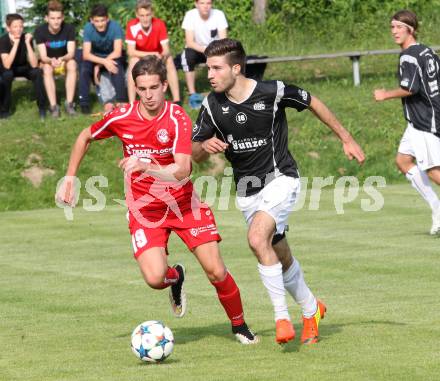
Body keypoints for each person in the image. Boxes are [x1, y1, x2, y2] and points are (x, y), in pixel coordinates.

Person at [56, 55, 258, 345]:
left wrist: (146, 166)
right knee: (155, 279)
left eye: (154, 87)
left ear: (165, 85)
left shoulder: (176, 118)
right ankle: (176, 277)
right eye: (142, 89)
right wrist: (70, 178)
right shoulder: (121, 117)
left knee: (216, 270)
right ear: (135, 88)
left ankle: (240, 327)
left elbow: (182, 170)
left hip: (183, 204)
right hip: (145, 211)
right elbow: (84, 136)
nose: (149, 95)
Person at [192, 38, 365, 344]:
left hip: (281, 177)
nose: (210, 74)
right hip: (248, 192)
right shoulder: (211, 105)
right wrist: (204, 146)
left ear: (236, 68)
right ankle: (312, 309)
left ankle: (282, 318)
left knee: (257, 239)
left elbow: (312, 101)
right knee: (278, 253)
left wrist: (346, 138)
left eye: (216, 68)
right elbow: (194, 152)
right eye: (208, 68)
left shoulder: (272, 91)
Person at [374, 10, 440, 235]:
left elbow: (411, 88)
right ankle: (436, 207)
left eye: (398, 27)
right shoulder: (427, 51)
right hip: (418, 121)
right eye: (392, 27)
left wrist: (385, 95)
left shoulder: (409, 55)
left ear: (409, 29)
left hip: (425, 120)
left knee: (433, 170)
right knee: (403, 161)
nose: (394, 32)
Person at [125, 0, 180, 105]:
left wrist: (162, 55)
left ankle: (177, 100)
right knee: (133, 61)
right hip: (141, 57)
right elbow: (131, 51)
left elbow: (166, 49)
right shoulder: (132, 26)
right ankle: (131, 103)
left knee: (169, 60)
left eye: (147, 15)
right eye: (142, 15)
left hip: (157, 57)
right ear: (137, 15)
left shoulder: (159, 24)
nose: (145, 18)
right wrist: (150, 54)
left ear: (152, 14)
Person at [79, 4, 127, 115]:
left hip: (112, 56)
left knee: (115, 67)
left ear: (107, 19)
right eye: (97, 21)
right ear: (91, 20)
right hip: (95, 57)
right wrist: (103, 62)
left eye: (102, 20)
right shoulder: (88, 28)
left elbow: (117, 51)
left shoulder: (115, 27)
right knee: (84, 69)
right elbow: (86, 54)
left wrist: (100, 66)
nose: (100, 24)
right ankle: (84, 103)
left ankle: (121, 101)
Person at [179, 0, 228, 109]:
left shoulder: (219, 14)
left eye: (208, 3)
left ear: (212, 4)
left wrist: (212, 50)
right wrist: (205, 50)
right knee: (187, 56)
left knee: (224, 57)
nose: (205, 6)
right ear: (196, 4)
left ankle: (221, 90)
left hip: (215, 48)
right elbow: (190, 42)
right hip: (197, 48)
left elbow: (224, 40)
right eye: (202, 3)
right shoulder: (190, 15)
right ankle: (193, 95)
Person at [34, 0, 77, 117]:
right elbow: (42, 56)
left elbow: (71, 52)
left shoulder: (69, 29)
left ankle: (69, 104)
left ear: (62, 18)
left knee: (72, 64)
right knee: (46, 69)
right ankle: (54, 107)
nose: (56, 21)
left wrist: (62, 59)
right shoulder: (40, 31)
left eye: (58, 18)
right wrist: (51, 61)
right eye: (52, 18)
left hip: (65, 60)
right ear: (46, 18)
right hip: (48, 61)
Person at [0, 13, 46, 119]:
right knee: (7, 75)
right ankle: (4, 110)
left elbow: (34, 64)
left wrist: (27, 43)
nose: (19, 29)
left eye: (21, 26)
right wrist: (16, 44)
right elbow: (7, 65)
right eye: (15, 26)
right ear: (8, 28)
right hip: (7, 68)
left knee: (37, 72)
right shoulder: (3, 40)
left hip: (22, 66)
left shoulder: (26, 38)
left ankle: (42, 108)